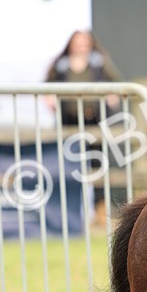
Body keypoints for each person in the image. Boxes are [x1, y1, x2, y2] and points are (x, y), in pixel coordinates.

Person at [45, 30, 121, 225]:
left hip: (94, 121)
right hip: (68, 123)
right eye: (78, 42)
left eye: (85, 42)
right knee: (69, 168)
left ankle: (100, 212)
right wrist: (49, 97)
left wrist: (112, 94)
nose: (81, 46)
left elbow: (115, 84)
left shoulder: (99, 63)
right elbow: (47, 86)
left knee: (97, 166)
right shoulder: (60, 65)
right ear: (70, 44)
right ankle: (68, 213)